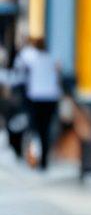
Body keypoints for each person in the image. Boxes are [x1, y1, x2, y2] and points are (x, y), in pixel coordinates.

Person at [13, 38, 62, 169]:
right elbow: (58, 75)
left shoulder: (30, 58)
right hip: (51, 98)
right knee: (45, 131)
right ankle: (43, 161)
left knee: (34, 129)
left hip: (36, 98)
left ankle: (33, 158)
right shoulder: (52, 58)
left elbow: (18, 66)